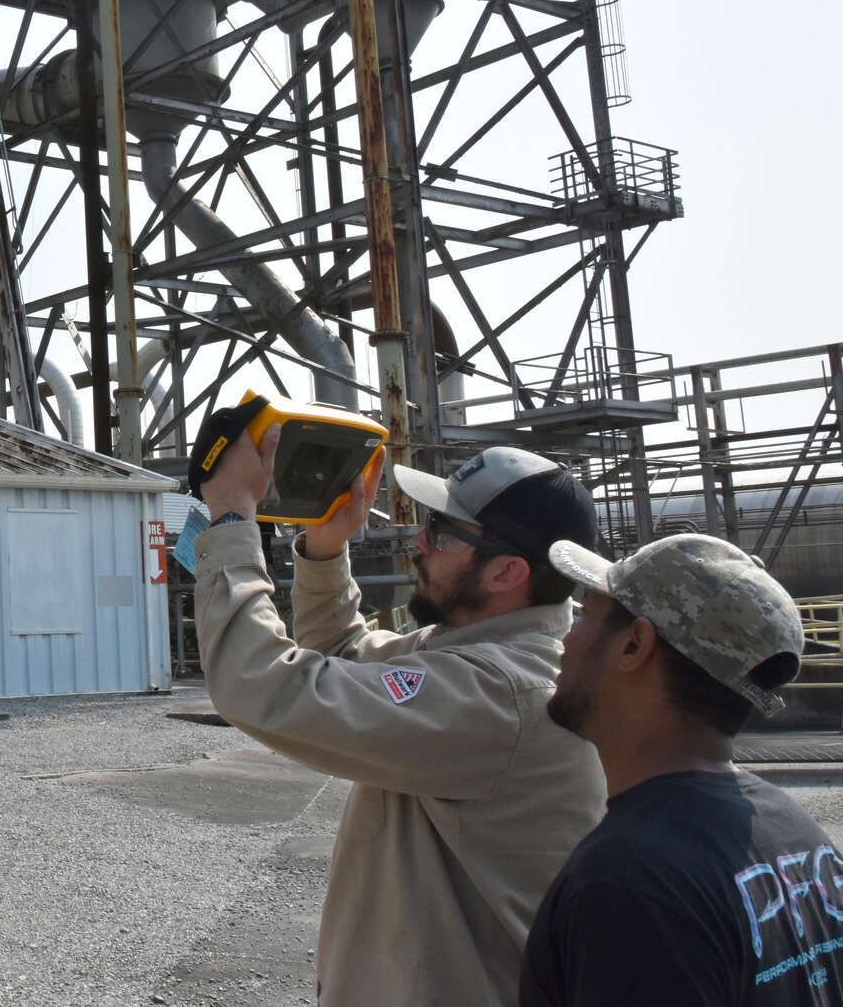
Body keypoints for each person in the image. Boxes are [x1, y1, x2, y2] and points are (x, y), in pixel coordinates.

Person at [191, 413, 608, 1007]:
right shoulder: (481, 655)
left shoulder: (500, 695)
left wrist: (233, 517)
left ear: (507, 572)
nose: (417, 539)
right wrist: (326, 548)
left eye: (440, 530)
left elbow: (261, 685)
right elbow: (346, 658)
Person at [521, 533, 827, 1006]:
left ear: (634, 645)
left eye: (586, 615)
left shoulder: (627, 884)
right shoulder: (798, 835)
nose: (566, 637)